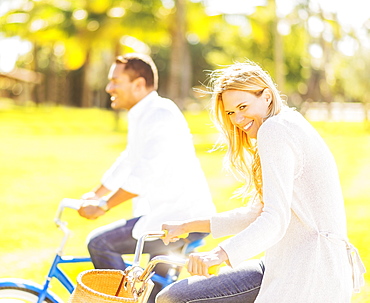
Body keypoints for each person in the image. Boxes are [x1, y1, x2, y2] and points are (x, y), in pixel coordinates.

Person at [158, 61, 366, 303]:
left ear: (267, 96)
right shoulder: (285, 123)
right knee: (175, 296)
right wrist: (187, 226)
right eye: (230, 112)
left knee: (176, 298)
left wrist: (218, 254)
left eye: (243, 106)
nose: (237, 119)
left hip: (310, 270)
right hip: (281, 262)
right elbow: (257, 214)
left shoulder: (276, 130)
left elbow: (275, 219)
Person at [77, 53, 216, 303]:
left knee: (100, 244)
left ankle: (124, 299)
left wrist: (105, 205)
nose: (109, 87)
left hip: (181, 219)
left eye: (115, 81)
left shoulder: (160, 114)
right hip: (167, 217)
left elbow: (144, 173)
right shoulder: (144, 112)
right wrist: (97, 194)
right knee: (154, 296)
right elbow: (129, 159)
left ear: (139, 84)